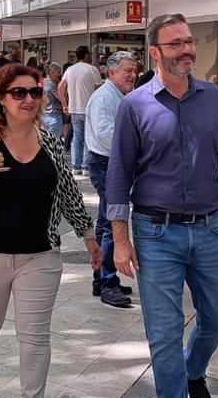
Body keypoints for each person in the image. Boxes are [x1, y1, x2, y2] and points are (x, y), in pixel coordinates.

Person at [107, 14, 218, 398]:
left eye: (189, 41)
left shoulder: (214, 97)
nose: (187, 50)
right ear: (155, 53)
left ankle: (193, 370)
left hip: (209, 230)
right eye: (176, 44)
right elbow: (118, 176)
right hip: (155, 233)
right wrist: (120, 238)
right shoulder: (134, 106)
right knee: (164, 331)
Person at [0, 63, 101, 398]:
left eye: (35, 92)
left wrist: (88, 235)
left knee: (36, 336)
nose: (29, 99)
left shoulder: (50, 141)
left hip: (39, 256)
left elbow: (68, 190)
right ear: (0, 97)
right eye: (19, 92)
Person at [85, 51, 139, 308]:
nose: (133, 74)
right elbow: (105, 134)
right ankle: (107, 282)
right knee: (111, 222)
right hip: (106, 164)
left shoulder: (119, 96)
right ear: (111, 72)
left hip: (111, 164)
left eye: (134, 69)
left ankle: (103, 279)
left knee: (106, 220)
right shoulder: (105, 98)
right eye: (127, 70)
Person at [58, 45, 101, 175]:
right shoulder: (93, 70)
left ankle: (75, 166)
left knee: (77, 138)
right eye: (90, 53)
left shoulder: (70, 70)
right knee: (88, 137)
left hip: (74, 109)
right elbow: (99, 89)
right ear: (86, 55)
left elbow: (60, 87)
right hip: (89, 109)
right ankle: (86, 166)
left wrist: (65, 104)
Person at [40, 63, 64, 135]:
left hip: (44, 114)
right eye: (58, 72)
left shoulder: (43, 82)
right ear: (51, 72)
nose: (60, 75)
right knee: (55, 140)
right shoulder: (52, 85)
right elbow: (61, 98)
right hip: (53, 115)